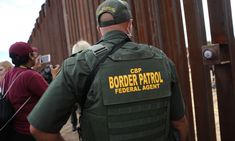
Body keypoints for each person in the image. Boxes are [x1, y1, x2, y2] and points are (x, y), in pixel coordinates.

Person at [28, 0, 189, 141]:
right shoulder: (161, 59)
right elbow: (180, 124)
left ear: (99, 29)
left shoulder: (78, 65)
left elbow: (40, 130)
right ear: (130, 25)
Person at [1, 42, 48, 141]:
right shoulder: (31, 76)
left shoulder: (8, 75)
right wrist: (55, 75)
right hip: (32, 131)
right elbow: (52, 97)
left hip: (15, 131)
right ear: (30, 56)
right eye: (33, 54)